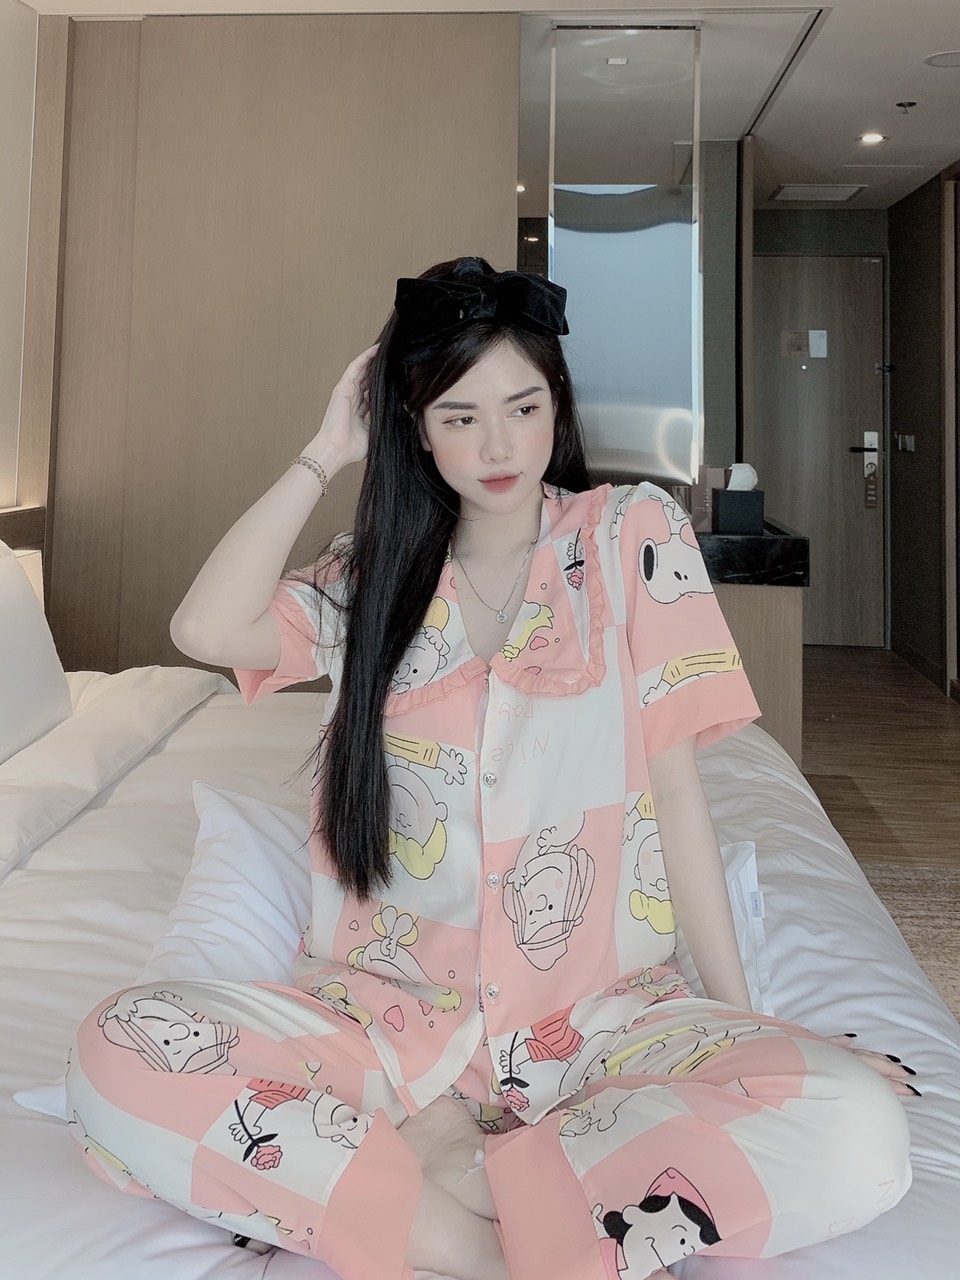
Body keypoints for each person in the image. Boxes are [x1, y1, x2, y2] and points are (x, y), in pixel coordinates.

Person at [66, 257, 914, 1280]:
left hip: (597, 1029)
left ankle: (420, 1178)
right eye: (460, 416)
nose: (500, 444)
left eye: (523, 407)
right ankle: (487, 1240)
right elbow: (204, 628)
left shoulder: (630, 536)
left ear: (557, 404)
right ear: (415, 426)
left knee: (859, 1126)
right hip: (381, 1031)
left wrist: (745, 1026)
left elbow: (678, 792)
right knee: (117, 1048)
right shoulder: (370, 577)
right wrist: (326, 448)